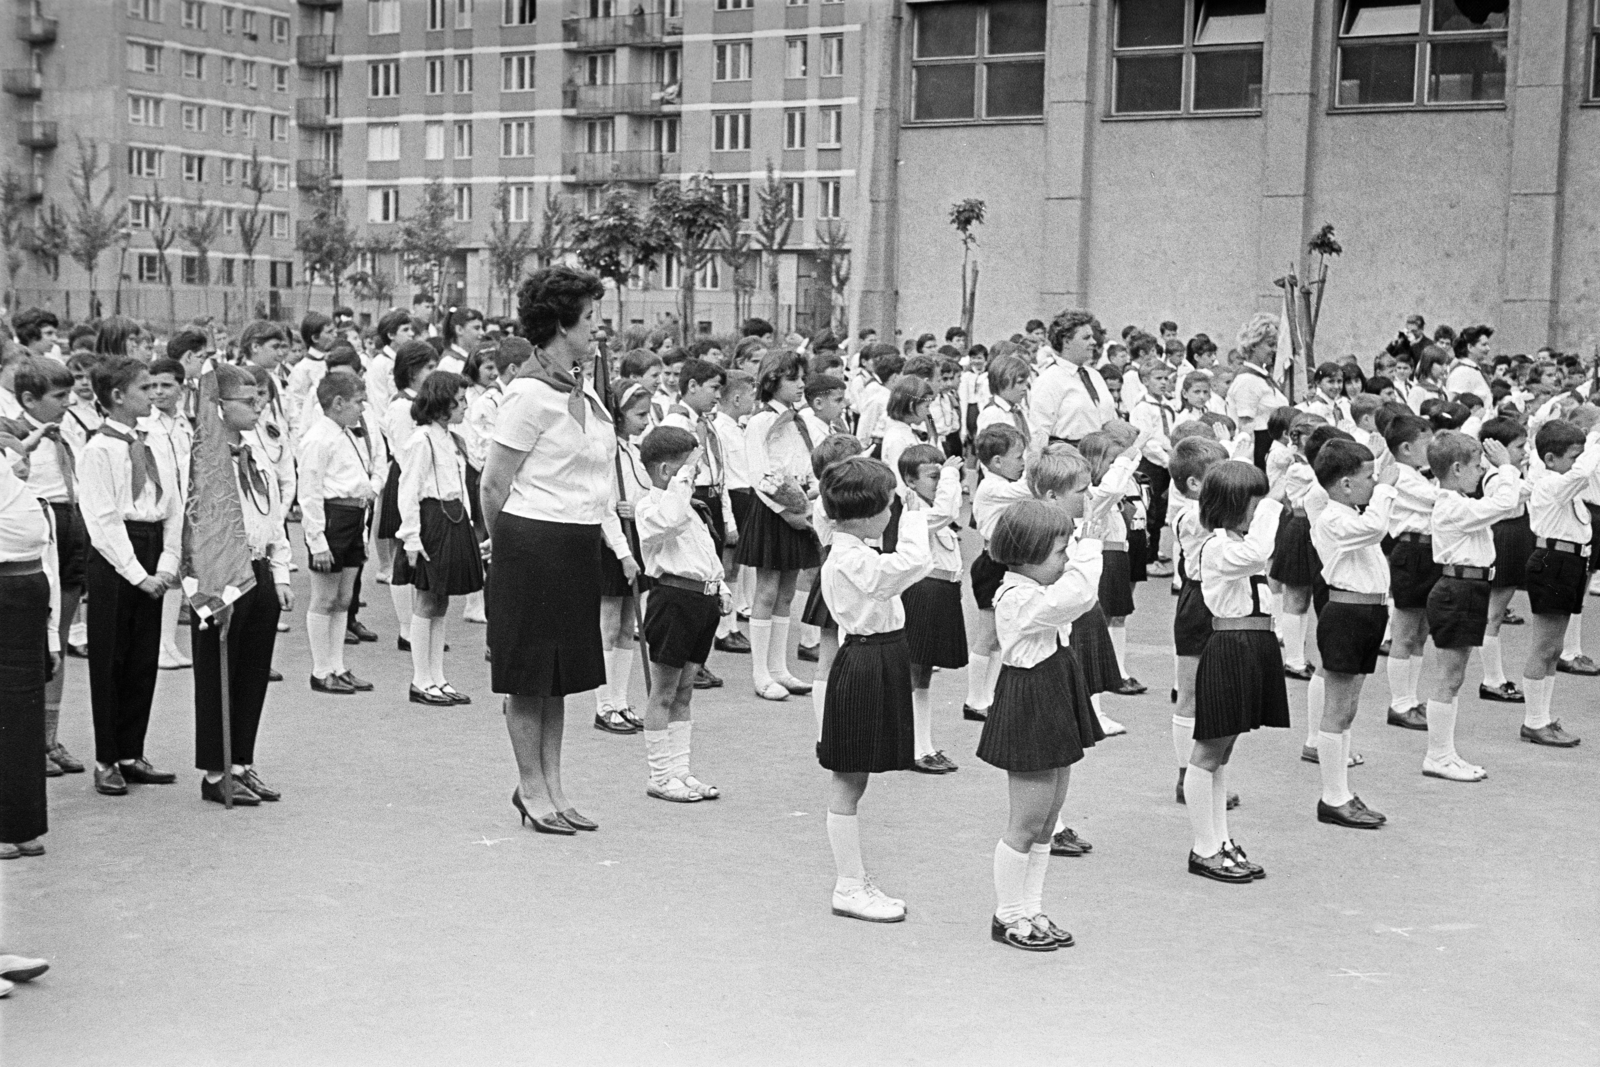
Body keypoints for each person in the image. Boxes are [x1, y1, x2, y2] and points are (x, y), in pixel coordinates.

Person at [481, 266, 611, 837]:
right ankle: (531, 791)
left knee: (558, 678)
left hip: (577, 544)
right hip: (532, 544)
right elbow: (493, 485)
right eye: (592, 319)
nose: (601, 329)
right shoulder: (528, 395)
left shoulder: (582, 388)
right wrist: (507, 545)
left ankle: (554, 788)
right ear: (562, 324)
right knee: (529, 677)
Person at [979, 497, 1103, 951]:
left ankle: (1031, 907)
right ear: (1027, 556)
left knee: (1049, 819)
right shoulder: (1017, 597)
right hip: (1031, 701)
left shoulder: (1038, 587)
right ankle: (1007, 914)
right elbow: (1078, 595)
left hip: (1054, 692)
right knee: (1026, 821)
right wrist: (1090, 550)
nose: (1067, 559)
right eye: (1058, 552)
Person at [816, 456, 932, 923]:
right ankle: (848, 884)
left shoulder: (855, 548)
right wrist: (917, 516)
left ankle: (854, 877)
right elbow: (910, 564)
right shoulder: (850, 558)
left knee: (857, 776)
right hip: (864, 660)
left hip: (880, 655)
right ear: (866, 515)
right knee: (848, 775)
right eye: (888, 506)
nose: (892, 513)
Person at [190, 364, 294, 806]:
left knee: (252, 671)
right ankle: (216, 772)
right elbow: (198, 523)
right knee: (218, 675)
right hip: (223, 576)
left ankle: (241, 763)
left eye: (259, 399)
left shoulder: (256, 451)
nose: (258, 407)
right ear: (219, 406)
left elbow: (272, 516)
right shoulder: (205, 458)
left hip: (259, 569)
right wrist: (212, 585)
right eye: (248, 401)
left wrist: (282, 571)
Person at [1187, 460, 1286, 883]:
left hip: (1253, 644)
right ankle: (1202, 846)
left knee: (1224, 752)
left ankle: (1220, 838)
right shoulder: (1216, 546)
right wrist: (1273, 509)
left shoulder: (1237, 541)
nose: (1258, 510)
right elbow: (1256, 553)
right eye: (1252, 504)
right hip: (1229, 645)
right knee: (1208, 752)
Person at [633, 425, 731, 802]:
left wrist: (720, 586)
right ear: (665, 472)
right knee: (663, 692)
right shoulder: (652, 507)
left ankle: (680, 770)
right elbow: (668, 523)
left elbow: (705, 554)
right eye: (690, 468)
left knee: (685, 691)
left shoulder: (689, 506)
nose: (696, 476)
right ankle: (659, 774)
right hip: (672, 600)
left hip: (700, 601)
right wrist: (681, 483)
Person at [1422, 431, 1525, 782]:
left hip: (1469, 587)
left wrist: (1504, 474)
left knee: (1455, 677)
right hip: (1458, 588)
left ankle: (1445, 752)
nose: (1482, 473)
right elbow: (1503, 503)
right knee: (1449, 678)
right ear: (1456, 468)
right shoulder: (1452, 505)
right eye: (1477, 467)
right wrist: (1506, 469)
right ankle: (1438, 755)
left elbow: (1506, 498)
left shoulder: (1461, 501)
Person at [1308, 439, 1396, 829]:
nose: (1373, 482)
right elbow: (1376, 527)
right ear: (1344, 484)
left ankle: (1341, 789)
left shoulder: (1353, 512)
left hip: (1368, 612)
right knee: (1337, 708)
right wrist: (1388, 489)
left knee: (1349, 710)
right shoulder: (1332, 517)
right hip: (1347, 612)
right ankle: (1332, 796)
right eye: (1367, 476)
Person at [6, 358, 86, 776]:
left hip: (69, 521)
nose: (67, 403)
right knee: (30, 646)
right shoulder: (10, 435)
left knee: (57, 639)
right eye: (58, 397)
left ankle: (49, 737)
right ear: (28, 400)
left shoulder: (69, 426)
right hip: (35, 529)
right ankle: (25, 742)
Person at [394, 371, 484, 706]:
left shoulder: (452, 438)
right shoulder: (422, 440)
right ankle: (420, 679)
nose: (465, 407)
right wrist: (412, 540)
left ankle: (438, 676)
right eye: (459, 401)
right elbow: (409, 491)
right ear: (442, 403)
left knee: (442, 600)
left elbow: (461, 486)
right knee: (428, 599)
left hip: (455, 519)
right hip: (433, 521)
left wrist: (471, 526)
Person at [737, 350, 820, 701]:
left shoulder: (799, 420)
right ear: (773, 382)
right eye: (793, 378)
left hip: (797, 507)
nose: (801, 384)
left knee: (787, 592)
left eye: (802, 377)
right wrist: (787, 510)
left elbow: (804, 463)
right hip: (774, 511)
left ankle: (780, 668)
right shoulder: (760, 422)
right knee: (767, 590)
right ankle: (760, 673)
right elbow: (760, 474)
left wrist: (810, 493)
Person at [1516, 416, 1600, 747]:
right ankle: (1533, 721)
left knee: (1554, 649)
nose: (1579, 463)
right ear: (1551, 459)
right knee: (1544, 646)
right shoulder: (1552, 482)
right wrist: (1595, 441)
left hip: (1569, 562)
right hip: (1553, 562)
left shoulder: (1567, 485)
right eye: (1572, 456)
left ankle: (1543, 717)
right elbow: (1583, 472)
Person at [298, 373, 383, 695]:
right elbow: (309, 493)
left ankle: (338, 665)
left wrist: (371, 492)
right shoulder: (318, 438)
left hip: (353, 516)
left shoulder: (347, 434)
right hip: (331, 519)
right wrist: (317, 541)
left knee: (344, 598)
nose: (362, 409)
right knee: (324, 598)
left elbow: (364, 473)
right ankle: (321, 670)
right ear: (338, 403)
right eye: (358, 402)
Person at [0, 430, 59, 857]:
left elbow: (51, 568)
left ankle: (20, 824)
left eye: (22, 456)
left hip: (30, 597)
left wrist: (52, 636)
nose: (21, 463)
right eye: (11, 456)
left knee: (23, 716)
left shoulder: (32, 500)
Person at [891, 444, 967, 774]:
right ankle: (910, 746)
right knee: (913, 670)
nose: (940, 482)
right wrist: (951, 474)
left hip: (942, 591)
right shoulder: (914, 512)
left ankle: (924, 744)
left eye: (942, 476)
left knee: (923, 675)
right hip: (922, 592)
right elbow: (948, 511)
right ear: (909, 480)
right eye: (932, 476)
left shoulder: (930, 508)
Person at [1167, 435, 1233, 807]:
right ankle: (1185, 774)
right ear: (1194, 484)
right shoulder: (1193, 515)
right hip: (1199, 600)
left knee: (1216, 693)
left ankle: (1206, 771)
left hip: (1220, 599)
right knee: (1190, 694)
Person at [965, 425, 1033, 721]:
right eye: (1018, 457)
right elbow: (1026, 489)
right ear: (996, 462)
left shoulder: (999, 482)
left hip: (1003, 562)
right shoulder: (991, 486)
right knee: (987, 635)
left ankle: (987, 696)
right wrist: (1042, 465)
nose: (1022, 463)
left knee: (998, 638)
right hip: (991, 564)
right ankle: (974, 699)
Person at [593, 383, 651, 734]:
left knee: (629, 625)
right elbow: (605, 507)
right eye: (639, 415)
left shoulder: (632, 450)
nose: (646, 421)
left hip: (635, 539)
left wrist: (639, 506)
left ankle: (621, 699)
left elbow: (644, 492)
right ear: (618, 414)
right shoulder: (608, 451)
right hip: (614, 545)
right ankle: (604, 705)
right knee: (609, 624)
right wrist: (624, 554)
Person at [377, 341, 437, 648]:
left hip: (420, 478)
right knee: (403, 554)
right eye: (428, 367)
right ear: (411, 370)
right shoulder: (402, 406)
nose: (434, 372)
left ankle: (417, 623)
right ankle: (406, 628)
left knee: (417, 555)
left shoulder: (423, 401)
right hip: (406, 477)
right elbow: (403, 450)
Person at [1382, 414, 1437, 730]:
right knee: (1405, 631)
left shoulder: (1416, 473)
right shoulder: (1400, 475)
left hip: (1426, 551)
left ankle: (1411, 699)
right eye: (1426, 444)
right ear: (1405, 448)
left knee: (1421, 631)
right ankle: (1399, 703)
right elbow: (1436, 500)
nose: (1432, 451)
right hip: (1411, 550)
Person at [139, 358, 194, 671]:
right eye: (152, 386)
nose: (158, 393)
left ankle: (168, 643)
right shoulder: (146, 423)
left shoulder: (186, 423)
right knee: (162, 572)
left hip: (185, 506)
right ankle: (157, 646)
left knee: (177, 576)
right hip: (161, 508)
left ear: (181, 389)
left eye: (166, 386)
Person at [1477, 417, 1533, 703]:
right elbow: (1516, 496)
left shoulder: (1510, 472)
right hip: (1503, 539)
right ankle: (1492, 678)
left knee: (1497, 611)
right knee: (1493, 613)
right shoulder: (1497, 476)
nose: (1525, 451)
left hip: (1515, 536)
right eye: (1519, 446)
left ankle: (1494, 677)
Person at [1271, 414, 1326, 680]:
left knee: (1304, 599)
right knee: (1295, 596)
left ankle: (1299, 656)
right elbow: (1322, 482)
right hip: (1300, 527)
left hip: (1313, 529)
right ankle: (1293, 660)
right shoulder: (1298, 468)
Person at [1028, 310, 1115, 457]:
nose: (1093, 342)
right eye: (1086, 338)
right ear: (1066, 341)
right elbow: (1038, 434)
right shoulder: (1049, 380)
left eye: (1092, 337)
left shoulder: (1094, 376)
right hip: (1069, 461)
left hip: (1102, 458)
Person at [712, 368, 756, 654]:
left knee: (736, 566)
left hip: (744, 496)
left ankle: (731, 627)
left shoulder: (739, 427)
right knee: (726, 565)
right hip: (732, 497)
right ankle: (722, 629)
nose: (754, 400)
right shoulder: (720, 429)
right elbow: (724, 475)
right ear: (737, 398)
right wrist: (728, 520)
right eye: (751, 394)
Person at [1129, 358, 1177, 576]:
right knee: (1149, 511)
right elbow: (1146, 441)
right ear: (1145, 380)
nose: (1164, 382)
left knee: (1160, 511)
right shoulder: (1142, 408)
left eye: (1166, 378)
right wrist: (1167, 459)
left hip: (1165, 462)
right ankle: (1146, 559)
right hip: (1151, 464)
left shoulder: (1167, 407)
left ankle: (1155, 551)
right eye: (1158, 378)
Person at [1225, 313, 1290, 470]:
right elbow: (1245, 425)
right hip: (1258, 450)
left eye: (1276, 345)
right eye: (1270, 345)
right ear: (1253, 345)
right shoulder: (1247, 380)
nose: (1275, 350)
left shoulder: (1261, 377)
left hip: (1270, 447)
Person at [879, 376, 934, 484]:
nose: (928, 412)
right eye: (926, 406)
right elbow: (899, 480)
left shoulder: (907, 430)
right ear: (911, 406)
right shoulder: (897, 438)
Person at [438, 307, 484, 375]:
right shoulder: (449, 363)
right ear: (459, 330)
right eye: (476, 328)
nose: (482, 332)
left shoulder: (475, 357)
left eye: (482, 328)